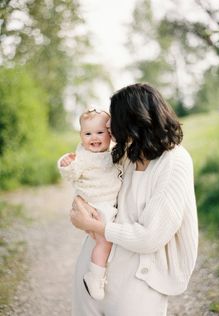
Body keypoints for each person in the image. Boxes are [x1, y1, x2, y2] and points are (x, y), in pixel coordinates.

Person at [70, 83, 198, 316]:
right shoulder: (127, 154)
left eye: (114, 116)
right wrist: (79, 206)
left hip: (141, 280)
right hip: (95, 269)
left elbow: (151, 236)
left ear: (134, 119)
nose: (108, 123)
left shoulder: (175, 162)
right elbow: (89, 181)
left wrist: (96, 226)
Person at [57, 109, 122, 300]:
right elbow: (72, 173)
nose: (94, 138)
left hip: (107, 204)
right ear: (81, 136)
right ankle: (94, 276)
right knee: (105, 240)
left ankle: (102, 271)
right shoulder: (83, 156)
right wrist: (66, 163)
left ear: (110, 134)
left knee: (109, 241)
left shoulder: (110, 154)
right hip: (95, 205)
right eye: (88, 134)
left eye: (100, 132)